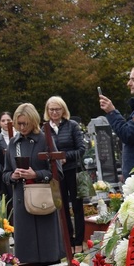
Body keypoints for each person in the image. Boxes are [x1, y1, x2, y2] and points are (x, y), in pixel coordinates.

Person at [3, 103, 62, 266]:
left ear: (33, 121)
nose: (22, 127)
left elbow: (57, 172)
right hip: (22, 200)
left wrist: (36, 174)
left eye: (25, 124)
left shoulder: (45, 140)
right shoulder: (13, 143)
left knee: (48, 250)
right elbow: (5, 173)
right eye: (19, 124)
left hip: (43, 198)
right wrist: (13, 176)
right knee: (27, 254)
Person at [43, 97, 86, 251]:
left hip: (72, 170)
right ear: (47, 111)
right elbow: (44, 151)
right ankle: (69, 241)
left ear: (63, 110)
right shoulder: (44, 129)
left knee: (77, 206)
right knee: (62, 207)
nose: (54, 112)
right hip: (56, 173)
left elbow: (81, 149)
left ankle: (79, 242)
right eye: (51, 109)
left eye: (57, 109)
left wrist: (65, 157)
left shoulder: (72, 125)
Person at [0, 112, 14, 220]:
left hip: (21, 175)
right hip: (4, 178)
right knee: (8, 205)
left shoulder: (20, 135)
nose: (6, 123)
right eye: (3, 120)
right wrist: (5, 172)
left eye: (8, 120)